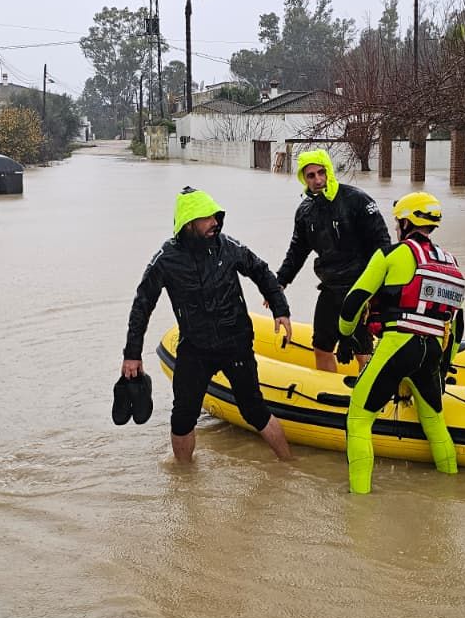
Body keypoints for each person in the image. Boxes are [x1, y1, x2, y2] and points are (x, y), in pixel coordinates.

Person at [123, 187, 294, 462]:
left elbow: (260, 271)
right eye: (207, 218)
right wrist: (132, 354)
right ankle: (184, 478)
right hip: (195, 347)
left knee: (255, 410)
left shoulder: (228, 246)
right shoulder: (166, 259)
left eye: (216, 216)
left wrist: (280, 309)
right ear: (189, 222)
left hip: (235, 342)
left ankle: (288, 464)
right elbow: (142, 305)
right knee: (183, 417)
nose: (215, 222)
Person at [337, 192, 464, 495]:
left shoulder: (391, 255)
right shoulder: (451, 264)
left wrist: (345, 335)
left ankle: (359, 501)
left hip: (398, 344)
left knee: (358, 419)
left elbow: (354, 300)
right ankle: (450, 490)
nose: (396, 227)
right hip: (432, 350)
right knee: (434, 421)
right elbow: (457, 326)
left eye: (398, 222)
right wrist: (446, 364)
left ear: (406, 222)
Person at [276, 148, 391, 371]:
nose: (318, 180)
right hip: (330, 287)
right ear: (304, 179)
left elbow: (382, 243)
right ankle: (327, 389)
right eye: (311, 175)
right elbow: (297, 250)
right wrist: (280, 282)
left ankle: (369, 388)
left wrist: (380, 287)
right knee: (321, 346)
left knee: (362, 349)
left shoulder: (356, 199)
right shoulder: (305, 211)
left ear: (329, 172)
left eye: (321, 173)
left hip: (361, 286)